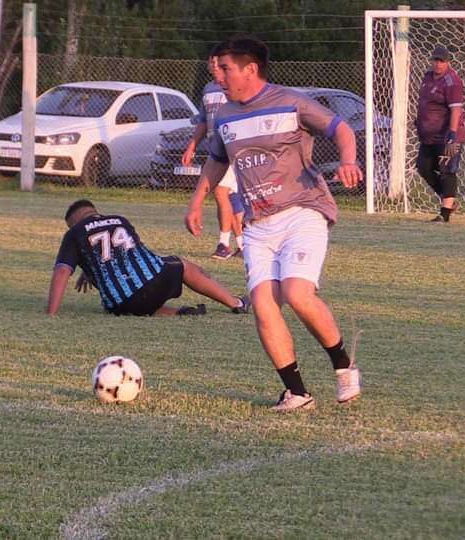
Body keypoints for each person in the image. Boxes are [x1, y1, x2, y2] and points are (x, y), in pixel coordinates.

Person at [185, 35, 364, 412]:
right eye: (216, 68)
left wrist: (349, 160)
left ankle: (343, 365)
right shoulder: (226, 115)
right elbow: (217, 160)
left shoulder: (290, 102)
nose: (219, 75)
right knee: (264, 307)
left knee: (298, 294)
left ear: (250, 69)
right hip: (257, 225)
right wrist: (197, 201)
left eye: (225, 68)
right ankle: (297, 392)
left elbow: (341, 129)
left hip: (303, 210)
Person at [47, 199, 251, 317]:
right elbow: (126, 253)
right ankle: (236, 303)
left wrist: (51, 313)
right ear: (94, 212)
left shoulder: (74, 233)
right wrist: (88, 268)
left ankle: (178, 313)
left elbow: (62, 271)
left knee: (125, 294)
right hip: (156, 283)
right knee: (183, 265)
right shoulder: (119, 219)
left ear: (73, 222)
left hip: (122, 305)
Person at [182, 51, 244, 260]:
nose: (212, 64)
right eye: (211, 60)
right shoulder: (209, 88)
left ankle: (224, 244)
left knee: (220, 193)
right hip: (215, 150)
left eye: (217, 61)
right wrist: (192, 145)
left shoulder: (236, 86)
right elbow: (202, 120)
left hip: (232, 148)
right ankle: (242, 245)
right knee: (230, 199)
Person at [415, 45, 465, 223]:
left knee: (447, 171)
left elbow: (456, 109)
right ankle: (449, 200)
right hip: (429, 136)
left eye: (441, 61)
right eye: (435, 60)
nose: (437, 64)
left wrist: (452, 132)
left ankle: (444, 213)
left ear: (448, 62)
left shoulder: (452, 82)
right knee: (423, 167)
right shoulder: (427, 77)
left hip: (447, 136)